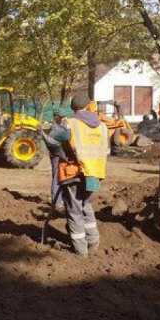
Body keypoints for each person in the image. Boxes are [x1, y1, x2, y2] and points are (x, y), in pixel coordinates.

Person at [46, 98, 109, 257]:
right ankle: (93, 241)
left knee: (74, 211)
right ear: (87, 106)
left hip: (74, 172)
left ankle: (80, 250)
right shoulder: (101, 125)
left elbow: (52, 141)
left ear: (72, 108)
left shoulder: (71, 124)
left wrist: (59, 152)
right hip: (93, 173)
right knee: (85, 205)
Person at [41, 106, 72, 211]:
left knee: (60, 177)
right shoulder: (59, 130)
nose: (64, 118)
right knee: (57, 178)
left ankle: (60, 200)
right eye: (61, 117)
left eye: (64, 116)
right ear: (56, 117)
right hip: (58, 156)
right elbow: (66, 137)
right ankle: (57, 202)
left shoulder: (58, 127)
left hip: (58, 155)